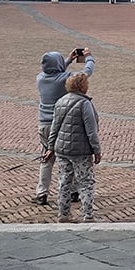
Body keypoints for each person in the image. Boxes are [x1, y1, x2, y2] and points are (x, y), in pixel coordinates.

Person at [35, 47, 95, 206]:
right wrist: (89, 57)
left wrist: (68, 60)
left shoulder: (40, 78)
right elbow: (86, 72)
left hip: (44, 125)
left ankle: (42, 193)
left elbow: (55, 70)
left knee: (46, 159)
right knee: (69, 157)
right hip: (62, 124)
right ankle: (74, 191)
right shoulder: (65, 79)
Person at [45, 73, 101, 222]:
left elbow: (54, 127)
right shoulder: (85, 103)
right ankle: (87, 215)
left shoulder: (60, 102)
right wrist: (97, 150)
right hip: (81, 151)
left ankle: (63, 214)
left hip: (62, 149)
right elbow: (91, 130)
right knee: (86, 182)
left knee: (64, 182)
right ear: (83, 86)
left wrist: (50, 147)